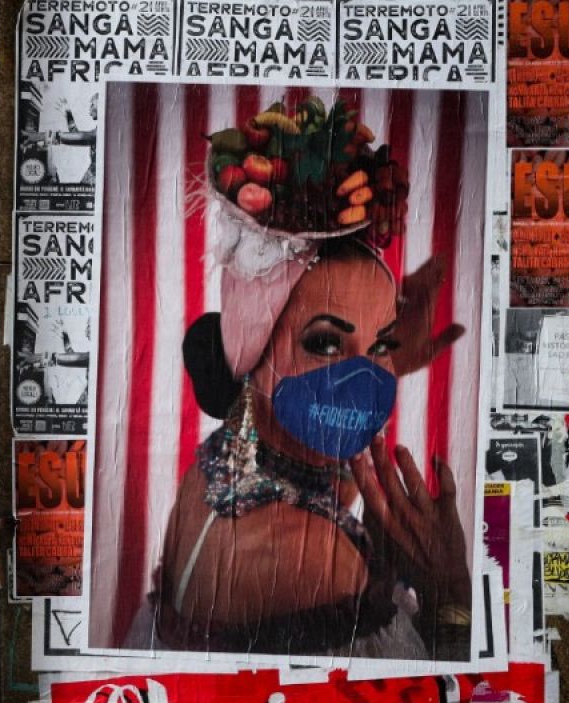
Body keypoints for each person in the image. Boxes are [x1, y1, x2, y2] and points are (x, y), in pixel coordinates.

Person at [135, 238, 473, 660]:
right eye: (326, 344)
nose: (365, 379)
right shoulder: (315, 563)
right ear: (251, 352)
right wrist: (451, 592)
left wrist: (366, 352)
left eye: (381, 344)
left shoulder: (219, 466)